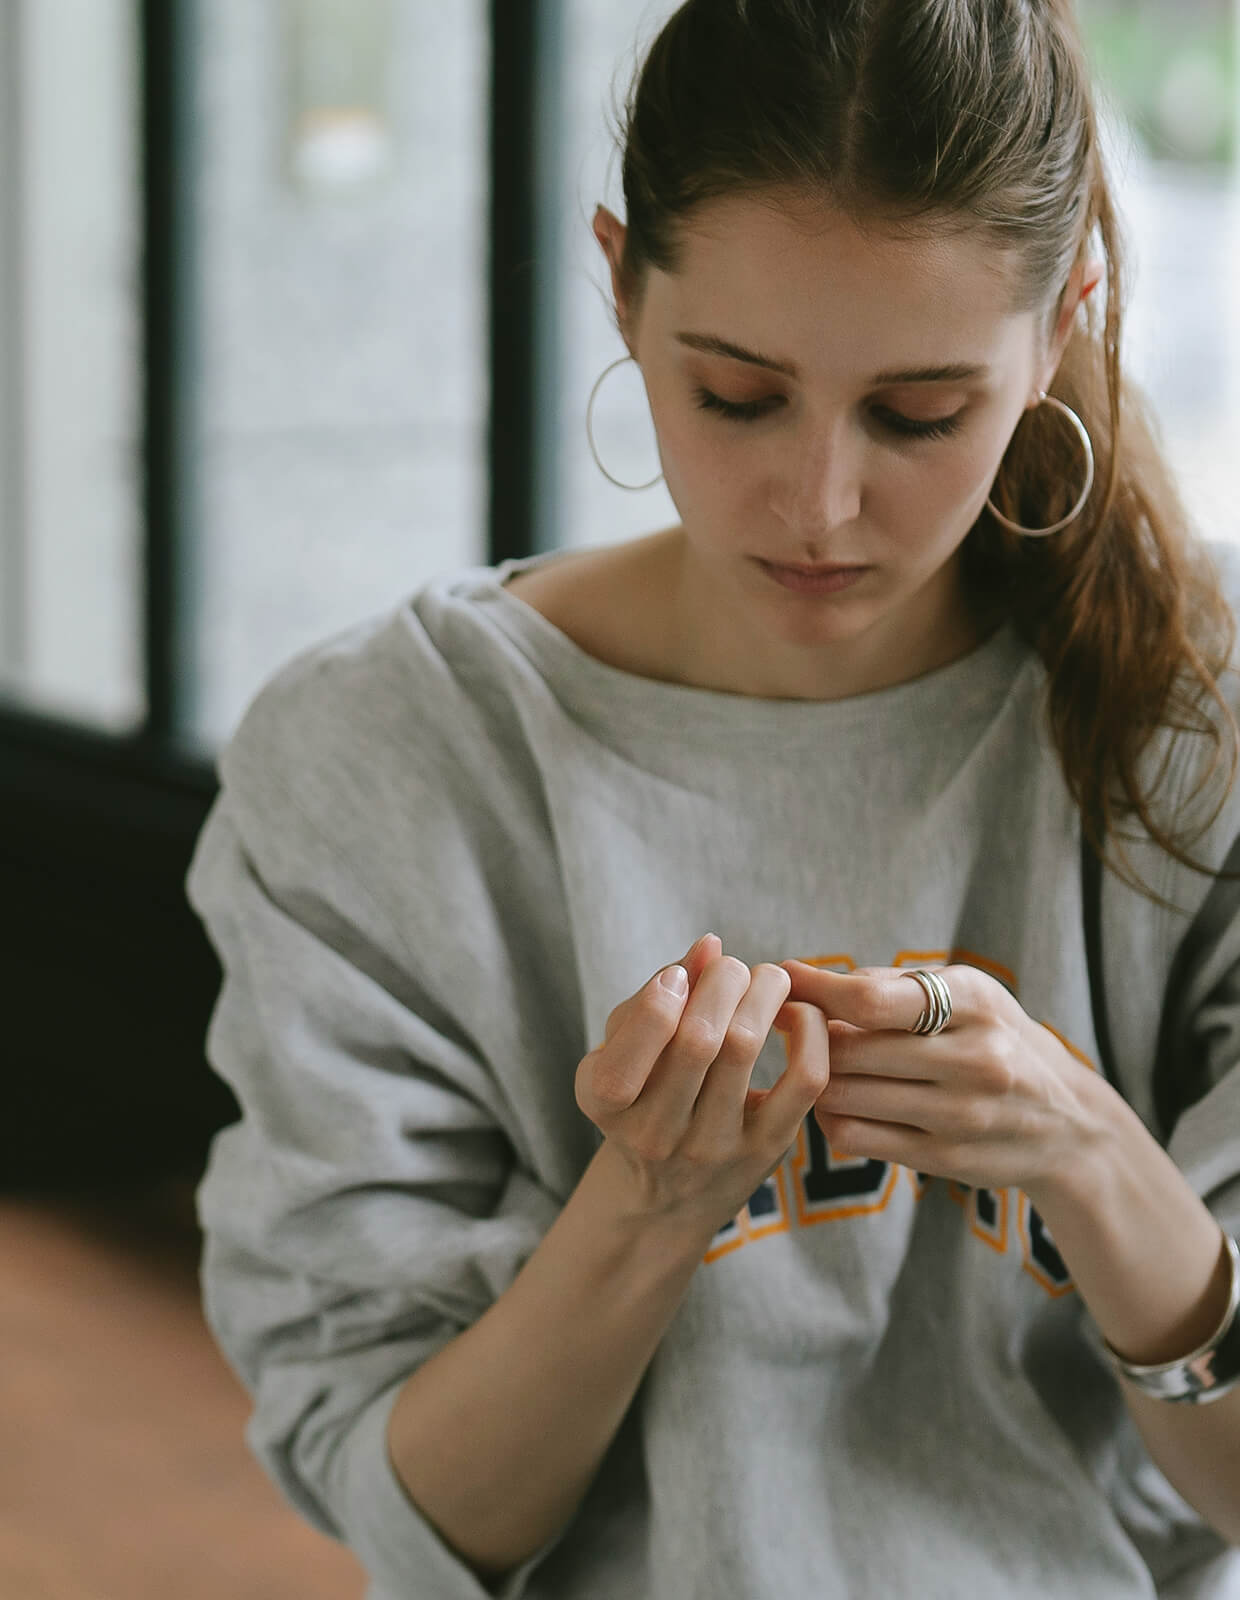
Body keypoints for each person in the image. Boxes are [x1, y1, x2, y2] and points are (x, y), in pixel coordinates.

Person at [186, 2, 1240, 1596]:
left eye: (920, 414)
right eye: (738, 395)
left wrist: (1091, 1156)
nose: (820, 503)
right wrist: (646, 1211)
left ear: (1064, 320)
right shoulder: (384, 757)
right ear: (620, 279)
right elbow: (405, 1513)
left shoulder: (1201, 714)